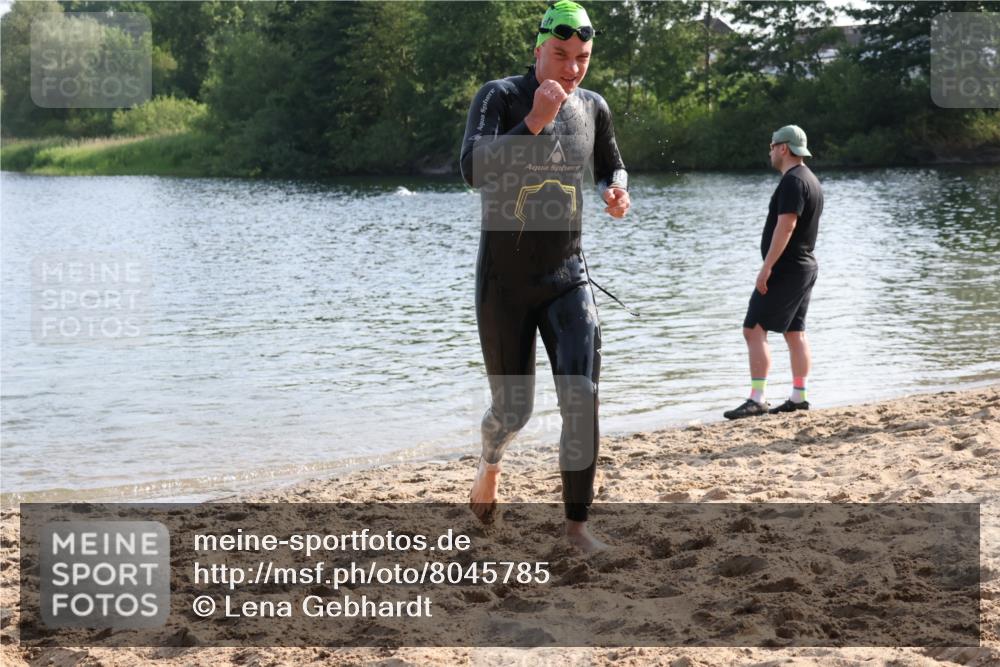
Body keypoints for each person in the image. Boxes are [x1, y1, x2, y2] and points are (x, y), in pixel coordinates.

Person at [459, 0, 630, 553]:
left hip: (568, 277)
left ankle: (577, 528)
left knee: (581, 396)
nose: (571, 68)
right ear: (538, 48)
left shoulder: (593, 106)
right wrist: (533, 119)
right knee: (514, 410)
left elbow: (610, 161)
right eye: (560, 54)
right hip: (504, 287)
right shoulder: (500, 96)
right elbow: (473, 169)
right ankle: (490, 462)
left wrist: (615, 189)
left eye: (581, 57)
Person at [724, 124, 823, 419]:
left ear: (783, 148)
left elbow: (787, 225)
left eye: (771, 146)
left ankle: (757, 398)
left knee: (753, 329)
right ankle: (799, 396)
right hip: (804, 265)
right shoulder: (811, 179)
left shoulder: (793, 181)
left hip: (787, 268)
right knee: (795, 332)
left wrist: (766, 268)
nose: (769, 151)